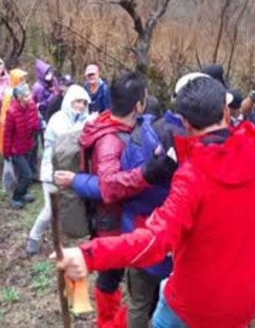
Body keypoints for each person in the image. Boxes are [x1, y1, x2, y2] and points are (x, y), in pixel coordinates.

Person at [55, 76, 255, 327]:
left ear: (186, 123)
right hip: (239, 310)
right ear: (226, 112)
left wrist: (89, 254)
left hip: (188, 308)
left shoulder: (192, 177)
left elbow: (155, 241)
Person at [53, 71, 154, 327]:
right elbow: (109, 187)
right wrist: (148, 175)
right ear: (138, 105)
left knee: (117, 280)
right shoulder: (111, 141)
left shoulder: (118, 126)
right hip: (113, 225)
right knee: (112, 280)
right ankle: (108, 322)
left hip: (119, 221)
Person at [26, 84, 90, 255]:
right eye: (78, 101)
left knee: (68, 209)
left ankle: (61, 242)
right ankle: (34, 236)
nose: (81, 106)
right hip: (52, 170)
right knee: (51, 210)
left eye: (84, 102)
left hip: (72, 172)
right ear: (70, 101)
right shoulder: (57, 119)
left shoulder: (86, 119)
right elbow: (60, 143)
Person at [3, 83, 42, 208]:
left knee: (24, 173)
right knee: (27, 176)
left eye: (29, 94)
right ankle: (16, 196)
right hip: (16, 149)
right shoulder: (11, 111)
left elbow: (35, 122)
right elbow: (7, 134)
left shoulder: (32, 106)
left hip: (28, 145)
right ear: (19, 97)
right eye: (25, 95)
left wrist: (39, 126)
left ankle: (24, 193)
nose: (29, 97)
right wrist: (6, 152)